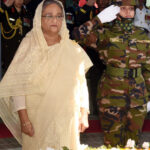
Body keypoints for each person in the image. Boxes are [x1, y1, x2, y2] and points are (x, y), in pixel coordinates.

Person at [0, 0, 92, 150]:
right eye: (48, 16)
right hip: (37, 120)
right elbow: (18, 86)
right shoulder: (29, 45)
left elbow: (81, 83)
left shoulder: (72, 48)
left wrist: (84, 113)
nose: (54, 20)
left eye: (59, 16)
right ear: (38, 18)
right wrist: (24, 120)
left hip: (67, 119)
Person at [72, 0, 150, 147]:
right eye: (123, 8)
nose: (128, 12)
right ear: (115, 10)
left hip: (138, 97)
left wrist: (149, 95)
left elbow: (147, 67)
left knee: (133, 144)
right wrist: (98, 19)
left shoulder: (143, 35)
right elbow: (77, 35)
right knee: (112, 144)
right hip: (111, 96)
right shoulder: (104, 33)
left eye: (131, 9)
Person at [0, 0, 32, 77]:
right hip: (9, 53)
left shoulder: (26, 13)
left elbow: (30, 31)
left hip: (23, 54)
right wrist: (4, 6)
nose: (20, 1)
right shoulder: (6, 11)